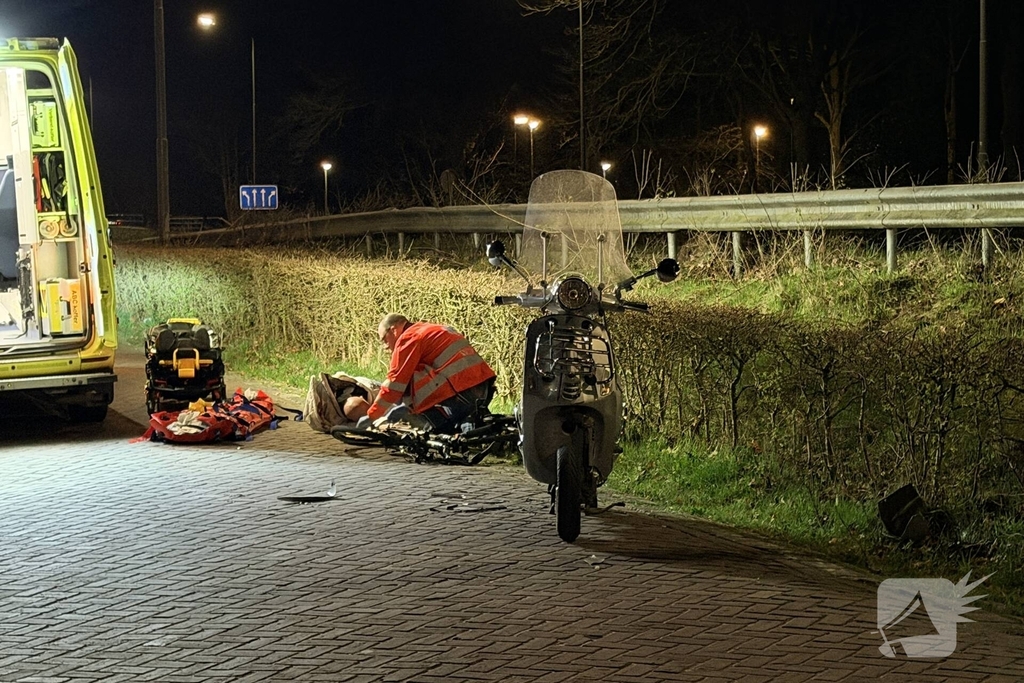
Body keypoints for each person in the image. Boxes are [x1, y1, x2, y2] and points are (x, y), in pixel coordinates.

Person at [361, 313, 496, 433]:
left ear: (394, 330)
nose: (385, 347)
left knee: (413, 381)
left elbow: (395, 383)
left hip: (461, 393)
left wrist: (373, 415)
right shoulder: (432, 329)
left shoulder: (409, 338)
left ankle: (444, 428)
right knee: (470, 417)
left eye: (384, 340)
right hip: (484, 386)